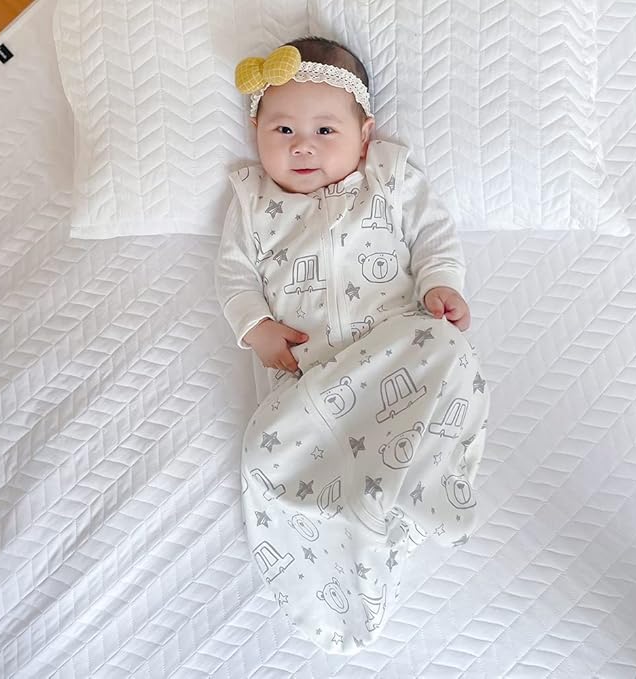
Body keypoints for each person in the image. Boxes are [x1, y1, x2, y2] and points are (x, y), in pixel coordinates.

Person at [215, 37, 490, 654]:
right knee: (266, 453)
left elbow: (433, 235)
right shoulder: (253, 202)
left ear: (364, 135)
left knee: (448, 349)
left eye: (324, 130)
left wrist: (441, 284)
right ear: (256, 131)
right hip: (311, 381)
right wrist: (255, 327)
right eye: (282, 129)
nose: (302, 145)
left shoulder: (388, 177)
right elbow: (233, 274)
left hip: (394, 353)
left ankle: (425, 484)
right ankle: (343, 575)